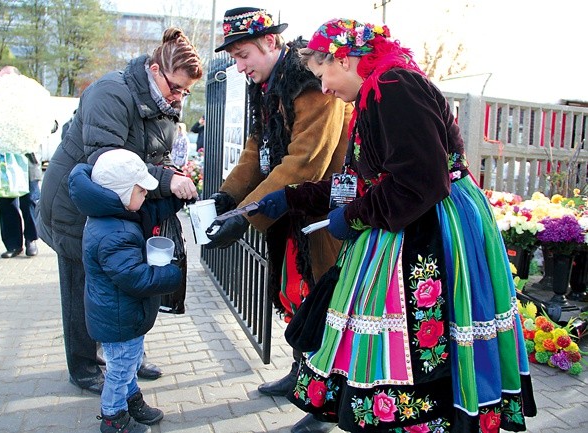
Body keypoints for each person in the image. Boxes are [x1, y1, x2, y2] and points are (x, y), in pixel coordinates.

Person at [252, 19, 537, 432]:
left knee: (425, 336)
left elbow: (421, 181)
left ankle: (423, 418)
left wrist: (352, 217)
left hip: (432, 227)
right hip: (408, 217)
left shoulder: (394, 87)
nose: (326, 89)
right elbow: (362, 180)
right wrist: (293, 197)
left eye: (323, 75)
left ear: (345, 59)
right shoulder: (375, 92)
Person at [206, 7, 352, 432]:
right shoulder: (266, 85)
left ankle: (324, 406)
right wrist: (228, 195)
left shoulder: (309, 81)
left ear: (271, 42)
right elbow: (257, 148)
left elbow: (306, 160)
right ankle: (301, 373)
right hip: (289, 210)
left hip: (325, 213)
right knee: (296, 296)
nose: (239, 65)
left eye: (243, 53)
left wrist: (244, 214)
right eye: (233, 57)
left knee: (326, 305)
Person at [37, 27, 202, 394]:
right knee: (84, 288)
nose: (179, 98)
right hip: (78, 206)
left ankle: (126, 353)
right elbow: (105, 159)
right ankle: (83, 366)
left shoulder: (163, 103)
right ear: (155, 69)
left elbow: (151, 155)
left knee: (127, 283)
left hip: (126, 206)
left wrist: (171, 175)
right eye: (175, 88)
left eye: (185, 92)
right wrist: (164, 179)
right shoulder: (110, 92)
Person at [68, 148, 183, 433]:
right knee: (119, 370)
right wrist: (171, 273)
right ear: (121, 192)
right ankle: (113, 418)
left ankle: (132, 402)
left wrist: (175, 201)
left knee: (127, 363)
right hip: (119, 318)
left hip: (120, 315)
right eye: (141, 191)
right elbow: (136, 278)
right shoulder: (115, 234)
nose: (145, 195)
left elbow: (146, 211)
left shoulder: (112, 214)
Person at [0, 66, 42, 258]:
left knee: (29, 201)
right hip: (3, 161)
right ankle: (13, 244)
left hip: (27, 160)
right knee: (6, 204)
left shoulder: (31, 98)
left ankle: (32, 239)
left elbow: (50, 123)